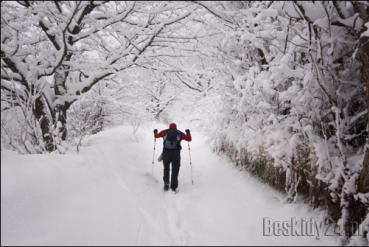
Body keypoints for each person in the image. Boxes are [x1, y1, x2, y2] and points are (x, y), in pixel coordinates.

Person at [153, 123, 192, 192]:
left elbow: (156, 136)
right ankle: (173, 187)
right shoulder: (180, 133)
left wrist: (155, 132)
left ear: (169, 127)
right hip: (176, 154)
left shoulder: (164, 132)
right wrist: (188, 132)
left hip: (166, 154)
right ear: (176, 127)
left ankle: (166, 184)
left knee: (166, 168)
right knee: (175, 170)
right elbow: (189, 139)